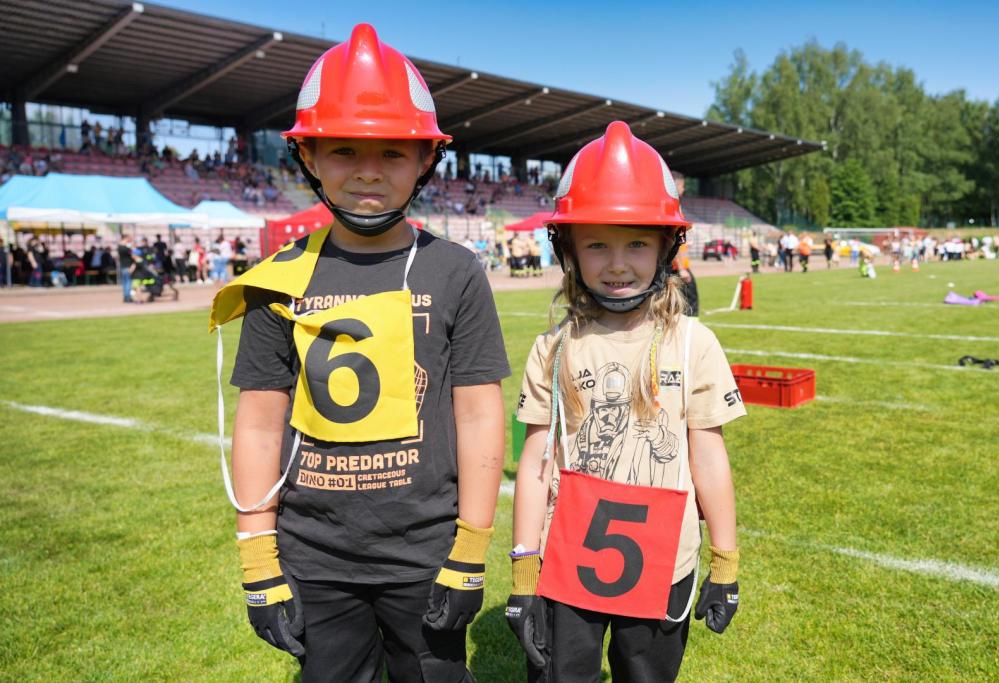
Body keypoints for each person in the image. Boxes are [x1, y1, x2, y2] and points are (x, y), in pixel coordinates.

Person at [209, 24, 509, 682]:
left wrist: (471, 548)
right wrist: (259, 559)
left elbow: (482, 415)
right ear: (309, 158)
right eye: (344, 150)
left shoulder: (456, 271)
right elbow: (259, 422)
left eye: (393, 152)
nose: (369, 170)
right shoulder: (275, 281)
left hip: (427, 551)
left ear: (426, 159)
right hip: (316, 557)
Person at [507, 122, 745, 682]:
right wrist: (522, 568)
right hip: (568, 559)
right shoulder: (552, 346)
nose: (617, 263)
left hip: (665, 562)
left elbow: (708, 457)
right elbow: (535, 464)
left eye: (637, 242)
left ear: (667, 247)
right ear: (568, 249)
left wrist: (726, 562)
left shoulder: (694, 342)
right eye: (596, 244)